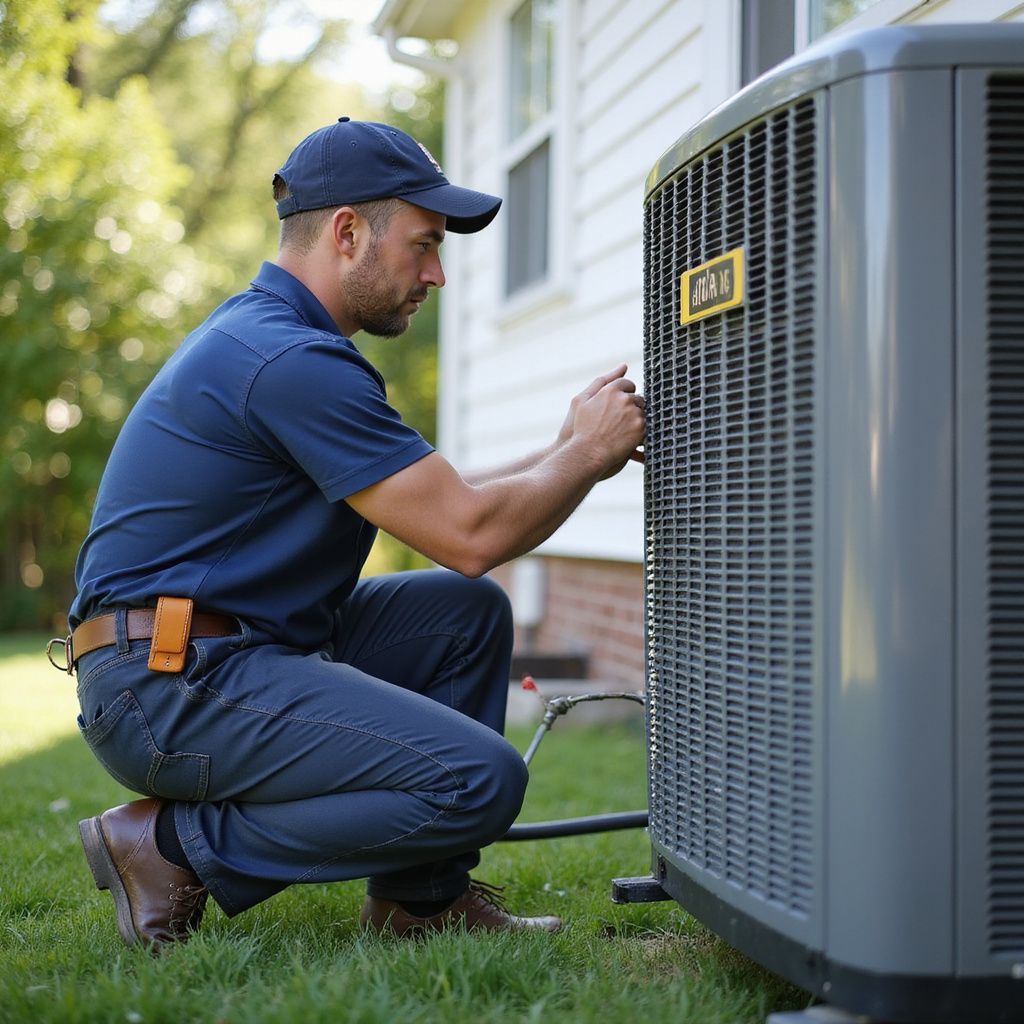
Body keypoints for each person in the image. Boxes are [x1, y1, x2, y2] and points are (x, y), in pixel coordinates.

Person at [55, 118, 646, 951]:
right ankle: (169, 848)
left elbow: (445, 498)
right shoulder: (287, 359)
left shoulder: (280, 343)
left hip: (209, 656)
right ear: (346, 233)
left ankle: (420, 899)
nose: (436, 274)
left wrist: (565, 447)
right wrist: (588, 455)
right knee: (480, 778)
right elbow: (470, 533)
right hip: (169, 685)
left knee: (460, 614)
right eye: (424, 245)